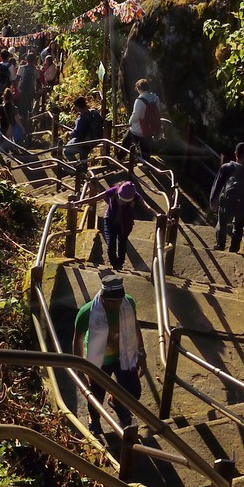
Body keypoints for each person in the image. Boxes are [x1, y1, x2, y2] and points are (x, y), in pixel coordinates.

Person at [72, 273, 147, 436]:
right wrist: (79, 369)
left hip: (123, 354)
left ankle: (116, 402)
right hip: (99, 360)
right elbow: (77, 340)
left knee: (133, 391)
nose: (119, 304)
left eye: (120, 300)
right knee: (95, 395)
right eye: (114, 302)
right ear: (104, 299)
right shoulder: (87, 312)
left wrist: (141, 353)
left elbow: (135, 325)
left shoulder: (128, 303)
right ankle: (94, 421)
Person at [74, 179, 138, 270]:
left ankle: (119, 264)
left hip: (125, 224)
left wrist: (157, 214)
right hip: (110, 221)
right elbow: (94, 198)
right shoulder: (113, 191)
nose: (123, 202)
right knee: (111, 244)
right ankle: (114, 264)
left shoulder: (135, 195)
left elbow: (146, 206)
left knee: (122, 244)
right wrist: (76, 203)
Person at [210, 142, 244, 253]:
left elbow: (217, 185)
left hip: (226, 202)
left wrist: (213, 201)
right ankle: (234, 249)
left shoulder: (226, 168)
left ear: (235, 153)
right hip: (243, 205)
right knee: (238, 227)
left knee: (222, 223)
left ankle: (220, 245)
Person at [121, 78, 162, 160]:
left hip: (138, 129)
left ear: (139, 89)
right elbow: (158, 111)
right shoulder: (155, 98)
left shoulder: (140, 100)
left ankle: (119, 158)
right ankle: (145, 165)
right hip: (150, 129)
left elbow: (136, 115)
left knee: (125, 142)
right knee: (145, 149)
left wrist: (130, 122)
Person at [64, 94, 104, 162]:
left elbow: (77, 132)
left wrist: (69, 133)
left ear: (77, 107)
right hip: (95, 139)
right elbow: (102, 121)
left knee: (67, 151)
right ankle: (83, 168)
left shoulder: (82, 119)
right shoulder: (94, 113)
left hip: (84, 142)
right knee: (83, 154)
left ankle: (76, 167)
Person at [14, 50, 39, 144]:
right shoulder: (35, 70)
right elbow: (38, 82)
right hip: (30, 92)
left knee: (20, 110)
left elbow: (17, 79)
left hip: (21, 92)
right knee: (28, 110)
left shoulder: (21, 68)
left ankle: (20, 130)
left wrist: (14, 89)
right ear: (34, 61)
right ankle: (27, 131)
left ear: (26, 59)